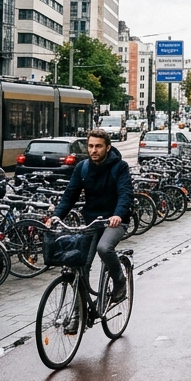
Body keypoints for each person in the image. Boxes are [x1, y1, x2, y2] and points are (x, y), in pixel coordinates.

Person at [49, 129, 134, 306]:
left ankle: (119, 283)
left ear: (108, 147)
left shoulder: (120, 167)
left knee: (104, 248)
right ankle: (78, 315)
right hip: (92, 222)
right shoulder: (83, 168)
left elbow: (125, 194)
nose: (93, 150)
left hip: (114, 221)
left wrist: (118, 214)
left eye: (98, 146)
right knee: (79, 264)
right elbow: (69, 195)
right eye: (90, 146)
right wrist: (56, 216)